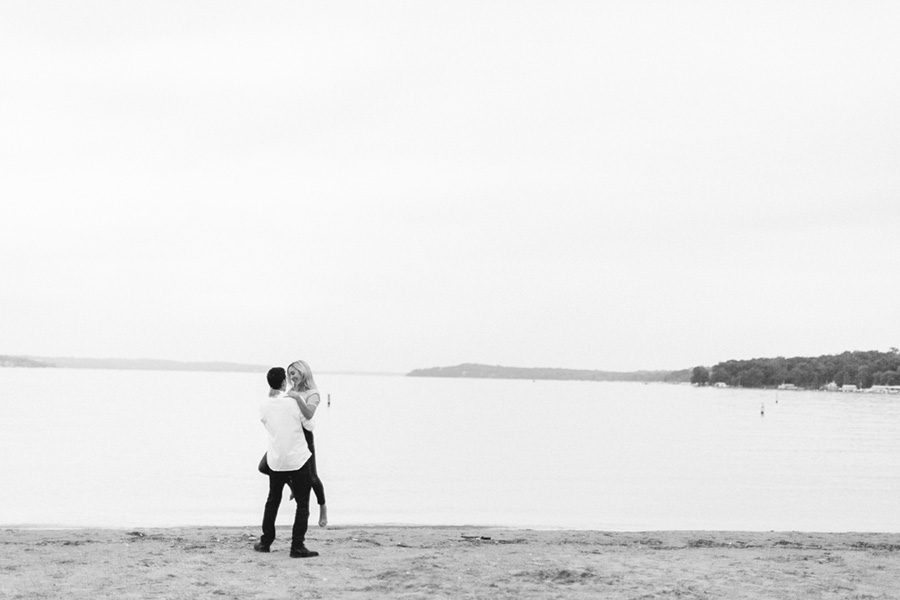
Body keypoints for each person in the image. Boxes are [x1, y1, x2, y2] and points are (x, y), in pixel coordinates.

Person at [254, 367, 318, 558]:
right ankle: (297, 546)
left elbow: (266, 422)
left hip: (276, 460)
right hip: (297, 459)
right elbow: (309, 425)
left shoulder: (264, 405)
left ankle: (266, 542)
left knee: (272, 500)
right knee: (303, 504)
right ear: (284, 382)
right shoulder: (293, 403)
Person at [258, 360, 328, 527]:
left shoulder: (313, 393)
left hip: (305, 437)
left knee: (312, 477)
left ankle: (322, 506)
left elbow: (309, 415)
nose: (291, 377)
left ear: (303, 373)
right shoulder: (290, 391)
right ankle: (292, 487)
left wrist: (297, 399)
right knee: (264, 466)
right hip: (287, 436)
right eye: (289, 374)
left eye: (294, 373)